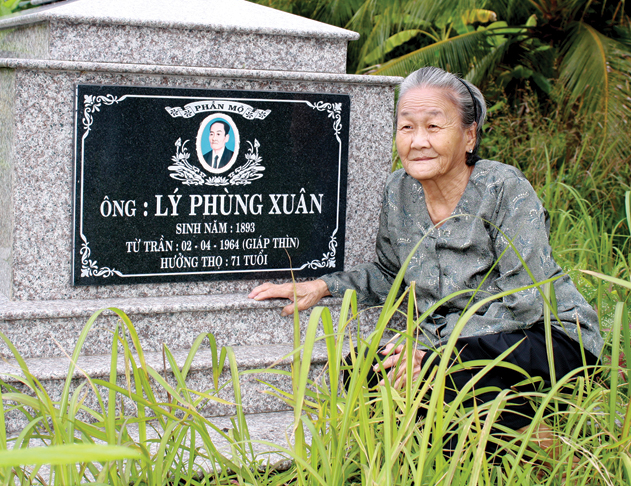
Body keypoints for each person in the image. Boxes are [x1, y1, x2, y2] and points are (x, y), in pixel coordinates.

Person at [248, 66, 602, 450]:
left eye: (433, 127)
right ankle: (484, 440)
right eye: (406, 127)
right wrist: (321, 286)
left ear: (469, 136)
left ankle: (553, 453)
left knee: (443, 377)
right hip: (449, 344)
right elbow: (390, 272)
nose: (418, 141)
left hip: (544, 335)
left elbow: (526, 299)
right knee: (362, 369)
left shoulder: (505, 189)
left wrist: (435, 352)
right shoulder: (398, 189)